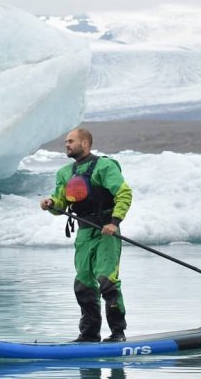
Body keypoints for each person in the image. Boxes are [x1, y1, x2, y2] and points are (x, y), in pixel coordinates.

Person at [40, 128, 133, 342]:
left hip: (106, 233)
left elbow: (124, 193)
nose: (66, 144)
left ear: (85, 144)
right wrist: (52, 204)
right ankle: (90, 334)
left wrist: (114, 222)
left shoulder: (105, 167)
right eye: (66, 141)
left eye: (71, 141)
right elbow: (61, 202)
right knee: (83, 284)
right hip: (84, 233)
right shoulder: (65, 173)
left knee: (106, 280)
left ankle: (118, 333)